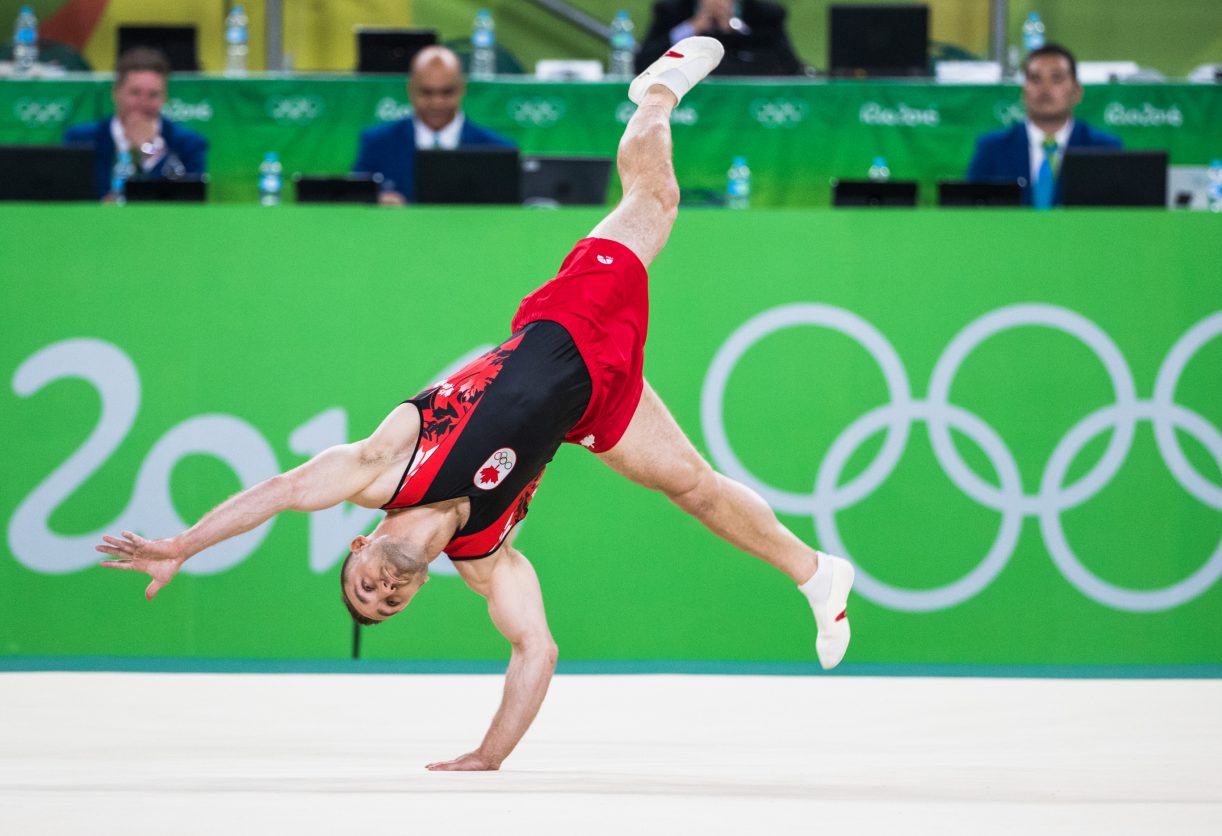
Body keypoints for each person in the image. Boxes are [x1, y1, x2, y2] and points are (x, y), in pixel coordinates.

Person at [98, 37, 855, 773]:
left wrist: (182, 546)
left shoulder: (381, 468)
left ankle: (658, 87)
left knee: (654, 198)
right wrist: (489, 756)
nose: (386, 589)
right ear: (419, 589)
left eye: (368, 587)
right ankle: (816, 573)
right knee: (692, 487)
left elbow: (281, 492)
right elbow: (536, 649)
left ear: (360, 546)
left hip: (567, 326)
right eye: (392, 603)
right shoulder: (486, 557)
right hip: (594, 407)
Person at [352, 45, 514, 205]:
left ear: (462, 89)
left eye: (447, 92)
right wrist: (375, 202)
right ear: (411, 89)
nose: (437, 103)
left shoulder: (498, 149)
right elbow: (354, 204)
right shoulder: (376, 144)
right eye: (427, 92)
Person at [966, 43, 1121, 207]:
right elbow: (971, 215)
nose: (1045, 89)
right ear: (1023, 91)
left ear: (1077, 91)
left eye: (1056, 79)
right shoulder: (992, 148)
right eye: (1035, 79)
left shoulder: (1104, 149)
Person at [63, 47, 207, 200]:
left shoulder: (188, 143)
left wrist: (149, 149)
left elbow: (188, 200)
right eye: (135, 93)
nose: (143, 103)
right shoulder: (80, 139)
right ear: (115, 93)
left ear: (165, 97)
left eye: (153, 95)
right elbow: (68, 199)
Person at [635, 0, 803, 76]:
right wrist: (692, 27)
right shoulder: (670, 11)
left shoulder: (766, 15)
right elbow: (644, 61)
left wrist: (732, 30)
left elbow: (789, 65)